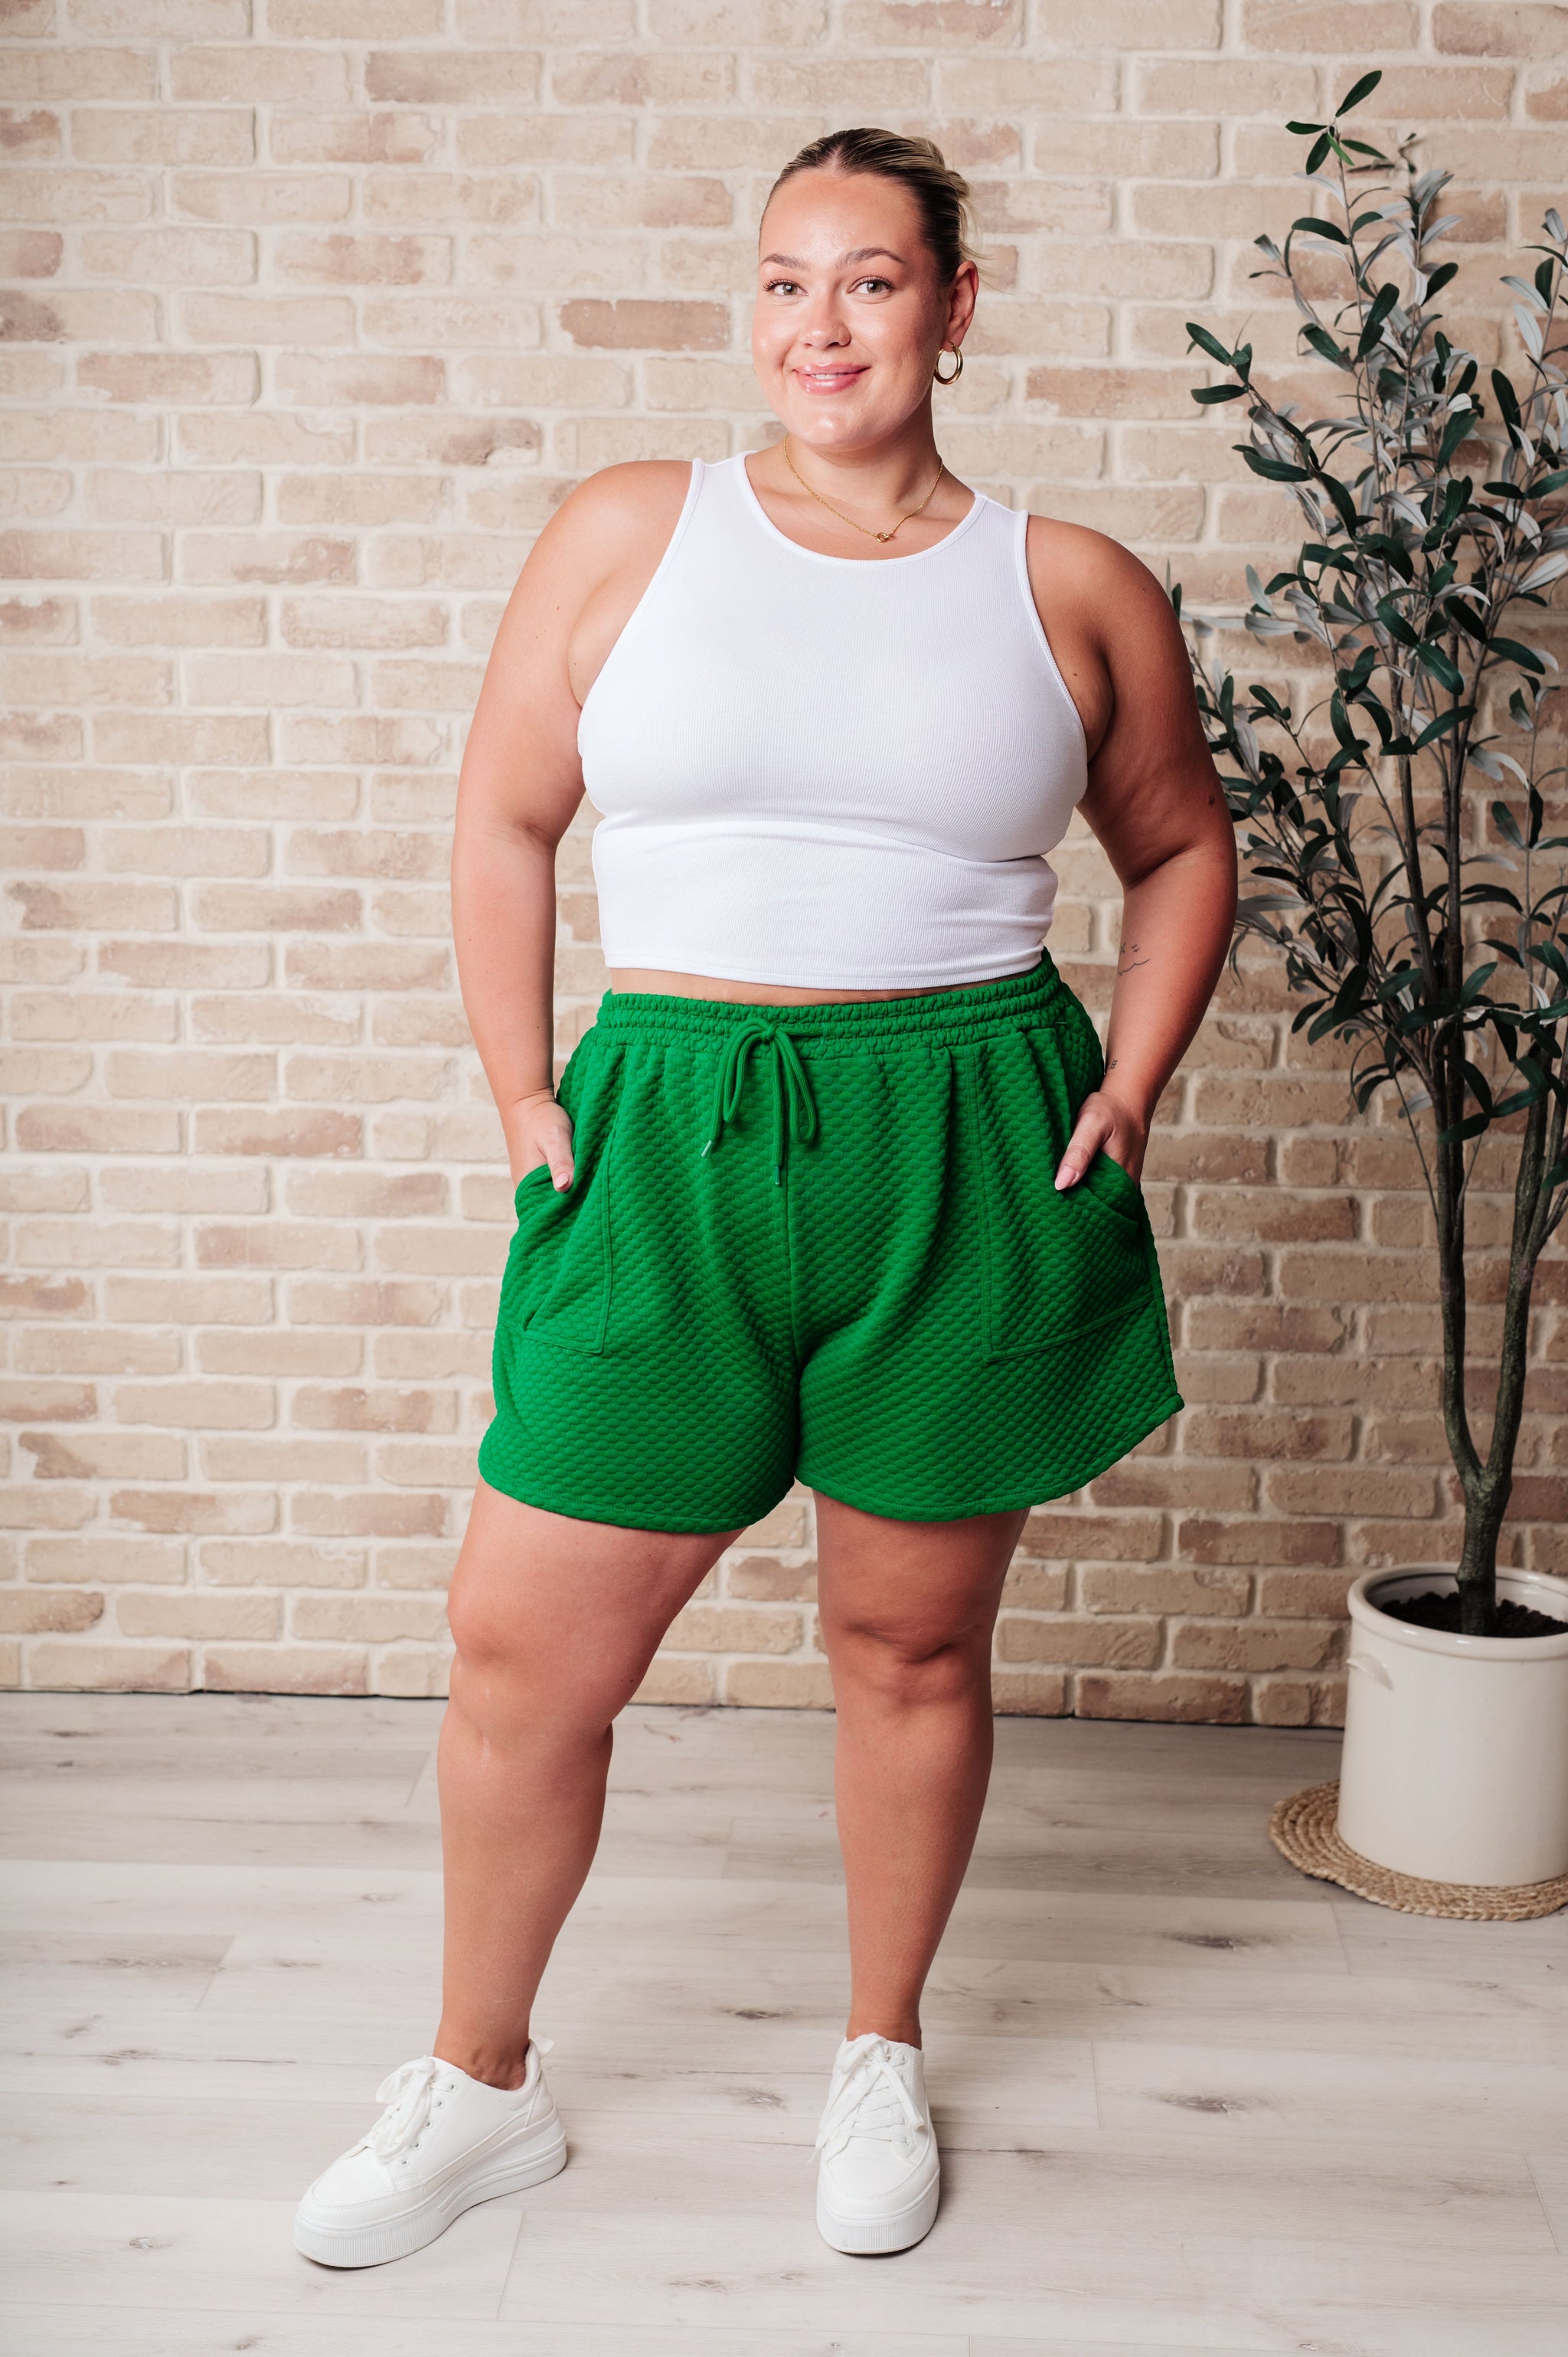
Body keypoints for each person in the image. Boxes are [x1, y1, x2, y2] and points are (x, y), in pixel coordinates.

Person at [293, 126, 1236, 2270]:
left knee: (908, 1640)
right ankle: (478, 2085)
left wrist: (1132, 1084)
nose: (822, 325)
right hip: (671, 1130)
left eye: (872, 281)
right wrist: (524, 1088)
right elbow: (504, 812)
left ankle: (878, 2051)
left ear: (955, 307)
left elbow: (1182, 844)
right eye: (786, 281)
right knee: (522, 1649)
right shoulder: (636, 529)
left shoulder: (1068, 583)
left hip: (963, 1136)